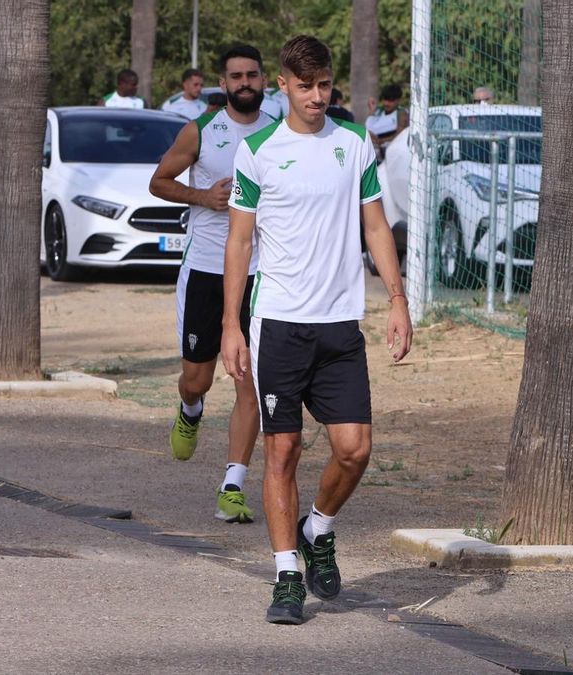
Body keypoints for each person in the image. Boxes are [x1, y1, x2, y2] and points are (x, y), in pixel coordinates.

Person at [221, 34, 411, 625]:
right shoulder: (257, 150)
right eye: (305, 86)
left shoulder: (353, 144)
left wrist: (397, 300)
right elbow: (240, 239)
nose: (316, 97)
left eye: (325, 85)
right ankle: (285, 578)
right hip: (278, 322)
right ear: (283, 85)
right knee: (283, 450)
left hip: (339, 324)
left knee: (355, 450)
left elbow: (376, 228)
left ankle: (317, 528)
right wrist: (232, 324)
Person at [148, 45, 277, 525]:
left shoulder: (277, 135)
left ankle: (233, 485)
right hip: (204, 268)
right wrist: (202, 195)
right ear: (223, 83)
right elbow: (159, 181)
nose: (244, 82)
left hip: (260, 272)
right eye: (235, 76)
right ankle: (191, 406)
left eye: (252, 75)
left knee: (252, 381)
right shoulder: (200, 131)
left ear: (264, 80)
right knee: (197, 375)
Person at [364, 83, 408, 149]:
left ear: (399, 100)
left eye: (391, 100)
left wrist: (380, 141)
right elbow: (368, 127)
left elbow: (400, 136)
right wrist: (371, 111)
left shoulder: (401, 113)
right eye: (385, 99)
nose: (386, 103)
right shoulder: (378, 111)